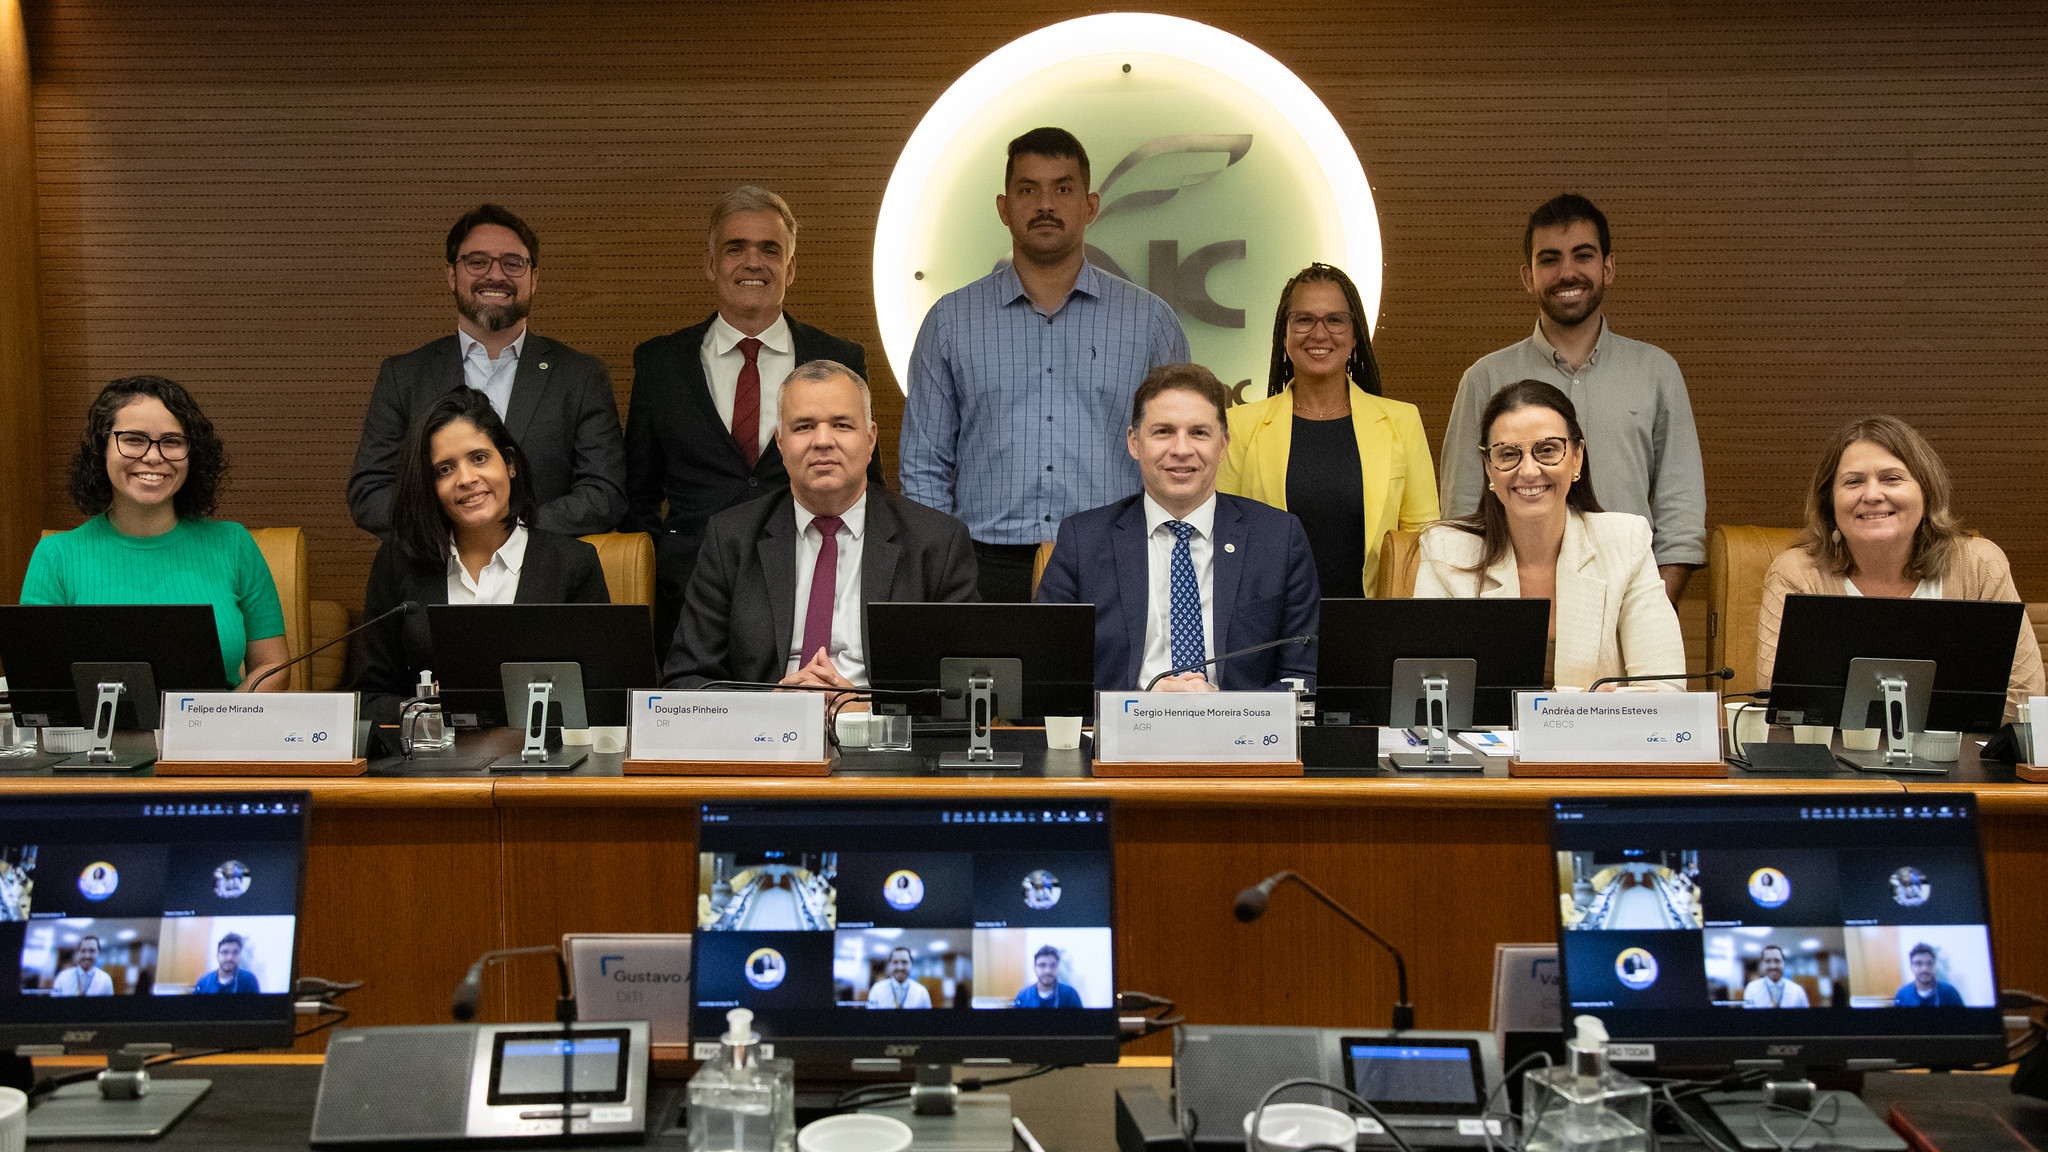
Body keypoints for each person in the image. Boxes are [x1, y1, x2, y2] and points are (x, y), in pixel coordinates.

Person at [900, 127, 1189, 602]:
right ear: (1003, 207)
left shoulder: (1150, 321)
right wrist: (942, 566)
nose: (1046, 204)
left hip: (1116, 559)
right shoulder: (950, 322)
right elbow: (923, 465)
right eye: (1028, 189)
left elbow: (1178, 455)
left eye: (1063, 188)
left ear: (1090, 206)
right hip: (981, 567)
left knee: (1109, 681)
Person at [625, 187, 882, 648]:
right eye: (735, 248)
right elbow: (637, 494)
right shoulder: (661, 363)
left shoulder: (837, 357)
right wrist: (663, 564)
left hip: (809, 582)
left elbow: (868, 483)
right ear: (710, 264)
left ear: (791, 268)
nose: (753, 262)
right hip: (689, 593)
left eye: (770, 249)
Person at [1439, 195, 1704, 601]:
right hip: (1514, 609)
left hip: (1630, 601)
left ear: (1608, 267)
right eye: (1549, 260)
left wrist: (1650, 609)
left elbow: (1681, 517)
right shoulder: (1485, 378)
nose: (1567, 272)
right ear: (1528, 276)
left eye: (1583, 256)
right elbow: (1461, 518)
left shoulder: (1656, 371)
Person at [664, 361, 978, 694]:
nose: (823, 441)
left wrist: (868, 713)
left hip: (879, 738)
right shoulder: (731, 539)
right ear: (781, 443)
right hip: (766, 737)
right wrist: (768, 709)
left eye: (842, 425)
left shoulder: (936, 542)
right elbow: (686, 681)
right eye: (804, 427)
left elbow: (966, 691)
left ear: (871, 439)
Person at [1036, 364, 1319, 692]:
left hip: (1239, 738)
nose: (1182, 450)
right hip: (1123, 736)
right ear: (1134, 442)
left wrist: (1229, 711)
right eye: (1163, 432)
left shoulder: (1278, 538)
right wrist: (1137, 709)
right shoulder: (1082, 541)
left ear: (1223, 444)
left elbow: (1304, 678)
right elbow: (1047, 680)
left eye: (1199, 432)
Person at [348, 204, 625, 538]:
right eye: (477, 262)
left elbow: (604, 495)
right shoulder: (404, 376)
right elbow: (370, 492)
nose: (496, 275)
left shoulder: (579, 376)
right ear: (451, 274)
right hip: (432, 574)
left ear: (534, 279)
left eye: (513, 263)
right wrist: (459, 525)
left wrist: (509, 531)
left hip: (543, 576)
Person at [1756, 415, 2044, 723]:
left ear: (1925, 490)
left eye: (1892, 478)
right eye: (1853, 482)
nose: (1872, 495)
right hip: (1834, 765)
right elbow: (1777, 700)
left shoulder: (1979, 565)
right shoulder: (1797, 574)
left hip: (1963, 764)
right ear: (1830, 501)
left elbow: (2025, 699)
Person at [354, 387, 611, 728]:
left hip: (542, 769)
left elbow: (606, 697)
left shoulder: (572, 564)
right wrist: (430, 710)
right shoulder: (398, 563)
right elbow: (368, 700)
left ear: (510, 464)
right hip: (429, 771)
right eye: (444, 469)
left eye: (479, 458)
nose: (466, 479)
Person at [1414, 380, 1685, 691]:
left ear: (1577, 457)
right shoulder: (1446, 550)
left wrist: (1558, 715)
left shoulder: (1626, 541)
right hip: (1484, 742)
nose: (1529, 471)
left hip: (1597, 742)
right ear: (1488, 467)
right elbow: (1429, 696)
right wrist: (1587, 704)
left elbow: (1666, 692)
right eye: (1508, 454)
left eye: (1547, 450)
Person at [22, 376, 288, 690]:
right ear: (101, 448)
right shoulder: (56, 555)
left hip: (215, 735)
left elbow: (274, 665)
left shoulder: (233, 544)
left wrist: (225, 719)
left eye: (172, 441)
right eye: (134, 439)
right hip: (96, 738)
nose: (153, 456)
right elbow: (37, 683)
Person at [1219, 264, 1439, 596]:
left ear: (1354, 336)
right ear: (1285, 334)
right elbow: (1224, 541)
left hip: (1371, 631)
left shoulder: (1401, 422)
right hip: (1273, 633)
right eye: (1304, 319)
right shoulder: (1240, 426)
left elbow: (1422, 546)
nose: (1319, 334)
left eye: (1335, 320)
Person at [1893, 943, 1964, 1007]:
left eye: (1929, 963)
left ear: (1934, 965)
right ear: (1911, 967)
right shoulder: (1902, 995)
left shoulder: (1950, 993)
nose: (1925, 969)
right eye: (1918, 963)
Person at [1012, 945, 1083, 1008]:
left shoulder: (1070, 994)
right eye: (1042, 965)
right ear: (1035, 968)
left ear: (1057, 968)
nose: (1048, 970)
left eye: (1053, 965)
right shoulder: (1024, 995)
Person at [1742, 944, 1810, 1008]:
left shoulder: (1798, 991)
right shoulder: (1751, 989)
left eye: (1777, 961)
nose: (1773, 966)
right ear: (1762, 964)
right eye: (1768, 961)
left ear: (1784, 963)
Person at [865, 947, 933, 1009]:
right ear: (889, 965)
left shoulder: (922, 992)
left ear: (911, 964)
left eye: (904, 962)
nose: (900, 967)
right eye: (895, 962)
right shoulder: (877, 989)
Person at [192, 933, 260, 994]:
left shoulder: (249, 981)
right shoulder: (204, 982)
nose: (230, 957)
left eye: (235, 952)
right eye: (225, 952)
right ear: (217, 955)